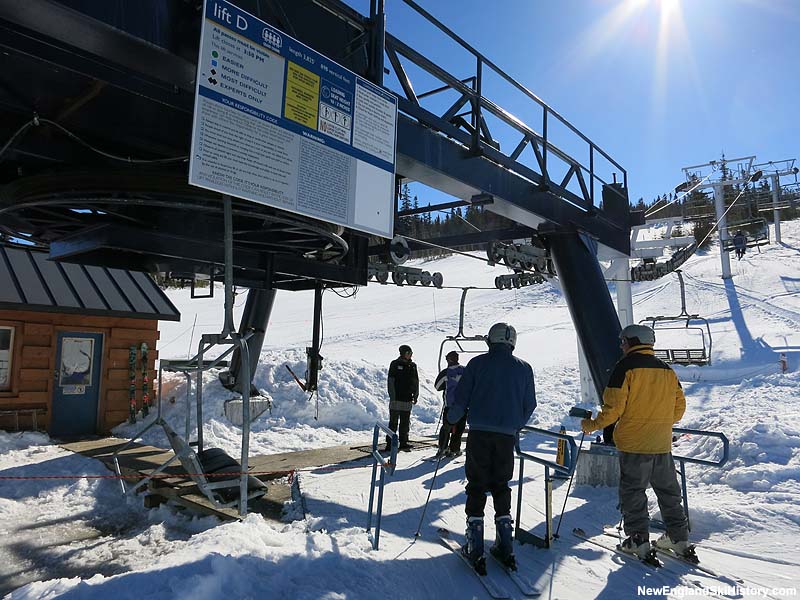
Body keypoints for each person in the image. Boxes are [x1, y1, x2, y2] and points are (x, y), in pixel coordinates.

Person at [580, 324, 691, 560]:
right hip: (661, 443)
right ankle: (678, 538)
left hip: (634, 443)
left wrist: (591, 425)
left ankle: (638, 540)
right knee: (669, 492)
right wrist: (658, 422)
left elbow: (613, 410)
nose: (621, 345)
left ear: (631, 341)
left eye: (623, 341)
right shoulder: (667, 370)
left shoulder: (625, 367)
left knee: (633, 492)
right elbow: (679, 408)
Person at [447, 323, 536, 574]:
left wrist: (453, 418)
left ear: (490, 340)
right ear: (512, 342)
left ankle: (475, 543)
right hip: (506, 437)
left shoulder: (477, 364)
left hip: (479, 433)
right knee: (500, 483)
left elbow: (461, 397)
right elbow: (530, 404)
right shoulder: (524, 368)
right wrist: (514, 425)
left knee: (477, 483)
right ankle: (504, 542)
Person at [386, 344, 419, 452]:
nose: (410, 355)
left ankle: (403, 442)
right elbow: (391, 381)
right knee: (393, 422)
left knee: (405, 422)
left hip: (407, 398)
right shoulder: (395, 364)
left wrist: (415, 394)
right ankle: (390, 443)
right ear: (403, 353)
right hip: (396, 398)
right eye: (408, 353)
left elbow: (415, 381)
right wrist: (392, 396)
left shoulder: (413, 366)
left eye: (411, 353)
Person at [434, 350, 466, 458]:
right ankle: (455, 449)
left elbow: (438, 386)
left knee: (446, 427)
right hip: (463, 404)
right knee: (459, 428)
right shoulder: (465, 370)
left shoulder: (446, 372)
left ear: (449, 359)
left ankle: (442, 448)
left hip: (450, 404)